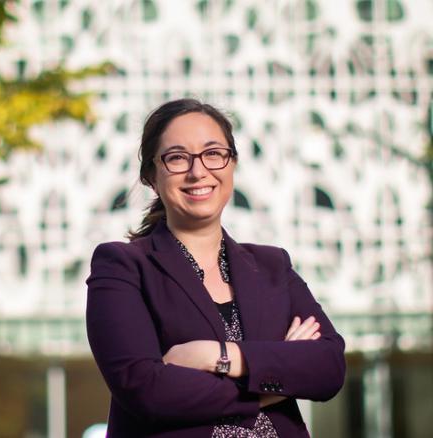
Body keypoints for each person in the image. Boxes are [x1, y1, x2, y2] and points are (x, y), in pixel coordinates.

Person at [86, 98, 346, 437]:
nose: (198, 171)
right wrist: (278, 376)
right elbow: (146, 391)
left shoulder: (272, 266)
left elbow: (327, 367)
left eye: (213, 153)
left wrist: (219, 356)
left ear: (232, 164)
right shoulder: (122, 266)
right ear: (151, 174)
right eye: (177, 158)